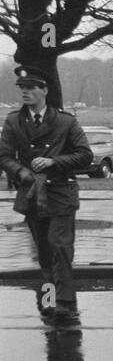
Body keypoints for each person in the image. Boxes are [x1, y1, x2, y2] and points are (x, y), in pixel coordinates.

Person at [0, 65, 94, 328]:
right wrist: (20, 171)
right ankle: (50, 297)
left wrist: (54, 161)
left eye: (31, 87)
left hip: (60, 192)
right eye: (22, 88)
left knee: (59, 246)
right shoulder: (14, 121)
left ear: (45, 90)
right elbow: (4, 155)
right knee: (43, 250)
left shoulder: (66, 121)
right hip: (31, 193)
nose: (25, 92)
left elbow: (85, 155)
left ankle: (64, 302)